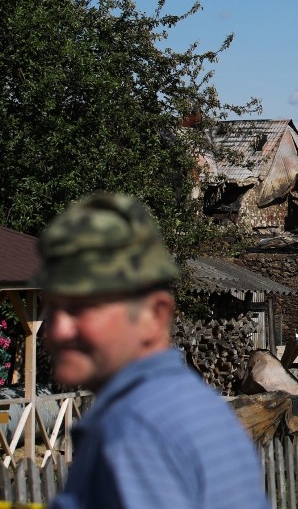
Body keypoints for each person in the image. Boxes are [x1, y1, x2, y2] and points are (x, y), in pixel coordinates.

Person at [36, 193, 270, 509]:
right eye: (52, 307)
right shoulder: (197, 408)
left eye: (83, 309)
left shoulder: (134, 430)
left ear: (154, 316)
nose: (59, 329)